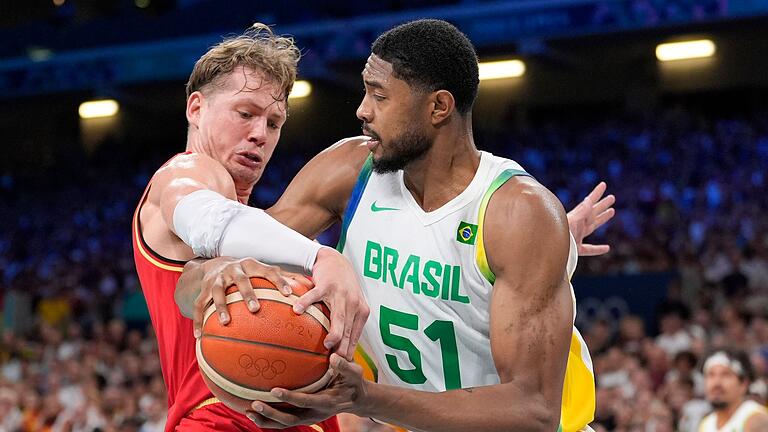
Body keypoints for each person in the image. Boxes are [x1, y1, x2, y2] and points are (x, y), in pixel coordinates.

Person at [178, 19, 615, 431]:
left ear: (439, 107)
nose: (362, 110)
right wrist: (215, 273)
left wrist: (365, 397)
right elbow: (189, 283)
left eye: (379, 95)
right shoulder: (351, 172)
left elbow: (533, 411)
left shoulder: (518, 213)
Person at [132, 24, 369, 432]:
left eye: (274, 123)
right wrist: (320, 255)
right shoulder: (183, 173)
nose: (260, 134)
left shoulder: (263, 227)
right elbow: (204, 232)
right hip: (220, 420)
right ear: (196, 108)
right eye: (246, 113)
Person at [698, 349, 768, 432]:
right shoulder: (706, 424)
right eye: (711, 375)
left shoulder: (756, 419)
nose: (716, 383)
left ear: (744, 384)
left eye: (725, 374)